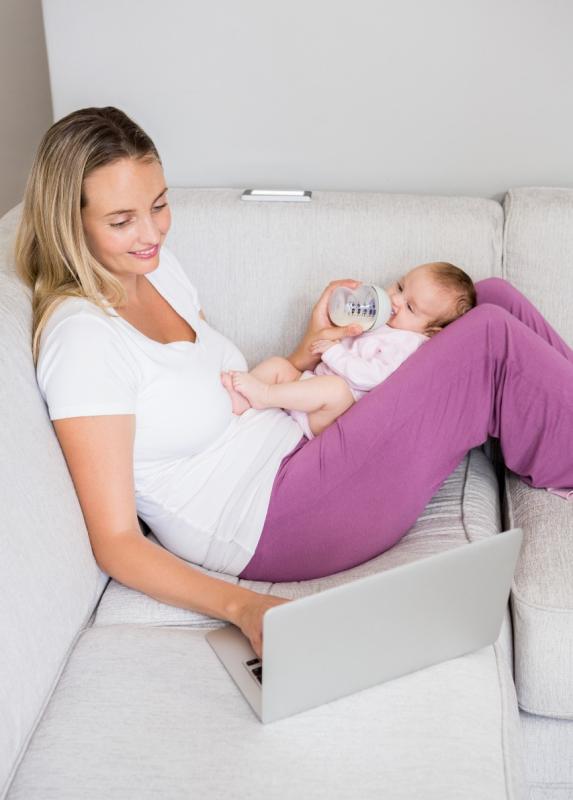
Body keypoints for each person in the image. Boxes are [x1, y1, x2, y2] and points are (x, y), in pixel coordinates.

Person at [15, 107, 573, 663]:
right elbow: (115, 541)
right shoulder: (83, 339)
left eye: (159, 205)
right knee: (488, 337)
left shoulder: (154, 268)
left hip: (300, 443)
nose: (151, 231)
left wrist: (312, 347)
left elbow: (229, 391)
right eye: (121, 221)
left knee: (489, 295)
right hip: (275, 518)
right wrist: (246, 608)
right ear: (70, 221)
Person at [221, 263, 476, 440]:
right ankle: (241, 400)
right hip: (308, 388)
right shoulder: (380, 320)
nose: (396, 301)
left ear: (430, 331)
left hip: (336, 411)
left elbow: (373, 377)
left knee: (335, 388)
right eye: (399, 287)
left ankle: (264, 395)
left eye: (410, 307)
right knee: (278, 365)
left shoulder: (408, 342)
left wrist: (334, 353)